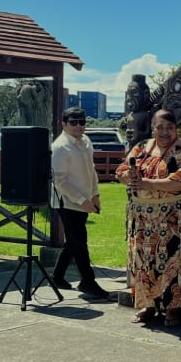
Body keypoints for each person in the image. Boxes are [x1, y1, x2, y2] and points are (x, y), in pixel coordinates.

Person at [115, 109, 181, 327]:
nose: (165, 132)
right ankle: (148, 304)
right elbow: (122, 170)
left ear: (176, 129)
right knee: (146, 262)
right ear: (153, 128)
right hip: (144, 222)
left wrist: (148, 184)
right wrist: (129, 176)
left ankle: (174, 307)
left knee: (174, 261)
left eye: (170, 127)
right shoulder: (141, 148)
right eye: (160, 127)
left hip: (175, 220)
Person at [50, 107, 111, 299]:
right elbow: (60, 181)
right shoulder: (60, 146)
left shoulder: (85, 141)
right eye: (73, 122)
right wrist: (82, 200)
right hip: (67, 202)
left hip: (84, 199)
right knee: (79, 241)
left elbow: (91, 170)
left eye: (82, 122)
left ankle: (57, 276)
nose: (78, 126)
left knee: (73, 241)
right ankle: (87, 281)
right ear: (64, 124)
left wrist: (95, 195)